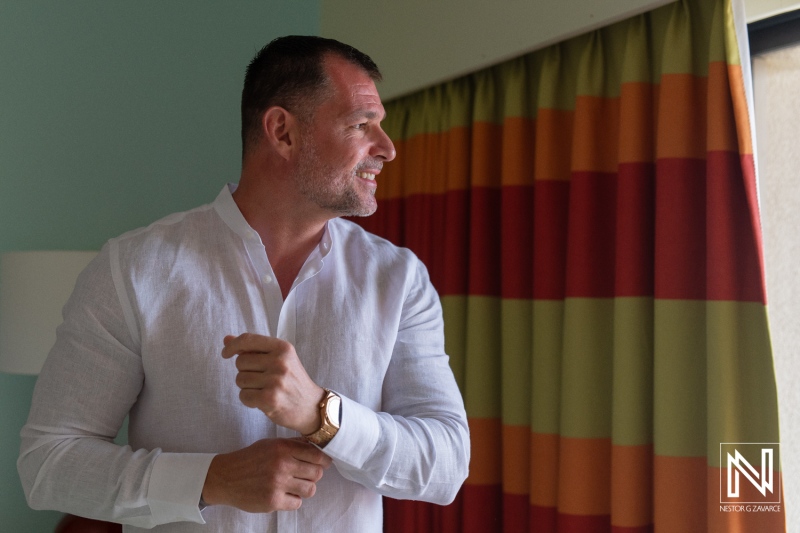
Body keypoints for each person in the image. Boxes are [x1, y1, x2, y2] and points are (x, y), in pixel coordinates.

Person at [17, 36, 470, 532]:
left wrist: (324, 415)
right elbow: (49, 465)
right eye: (362, 126)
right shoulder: (133, 269)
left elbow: (445, 466)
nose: (386, 148)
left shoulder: (399, 279)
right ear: (282, 131)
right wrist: (212, 479)